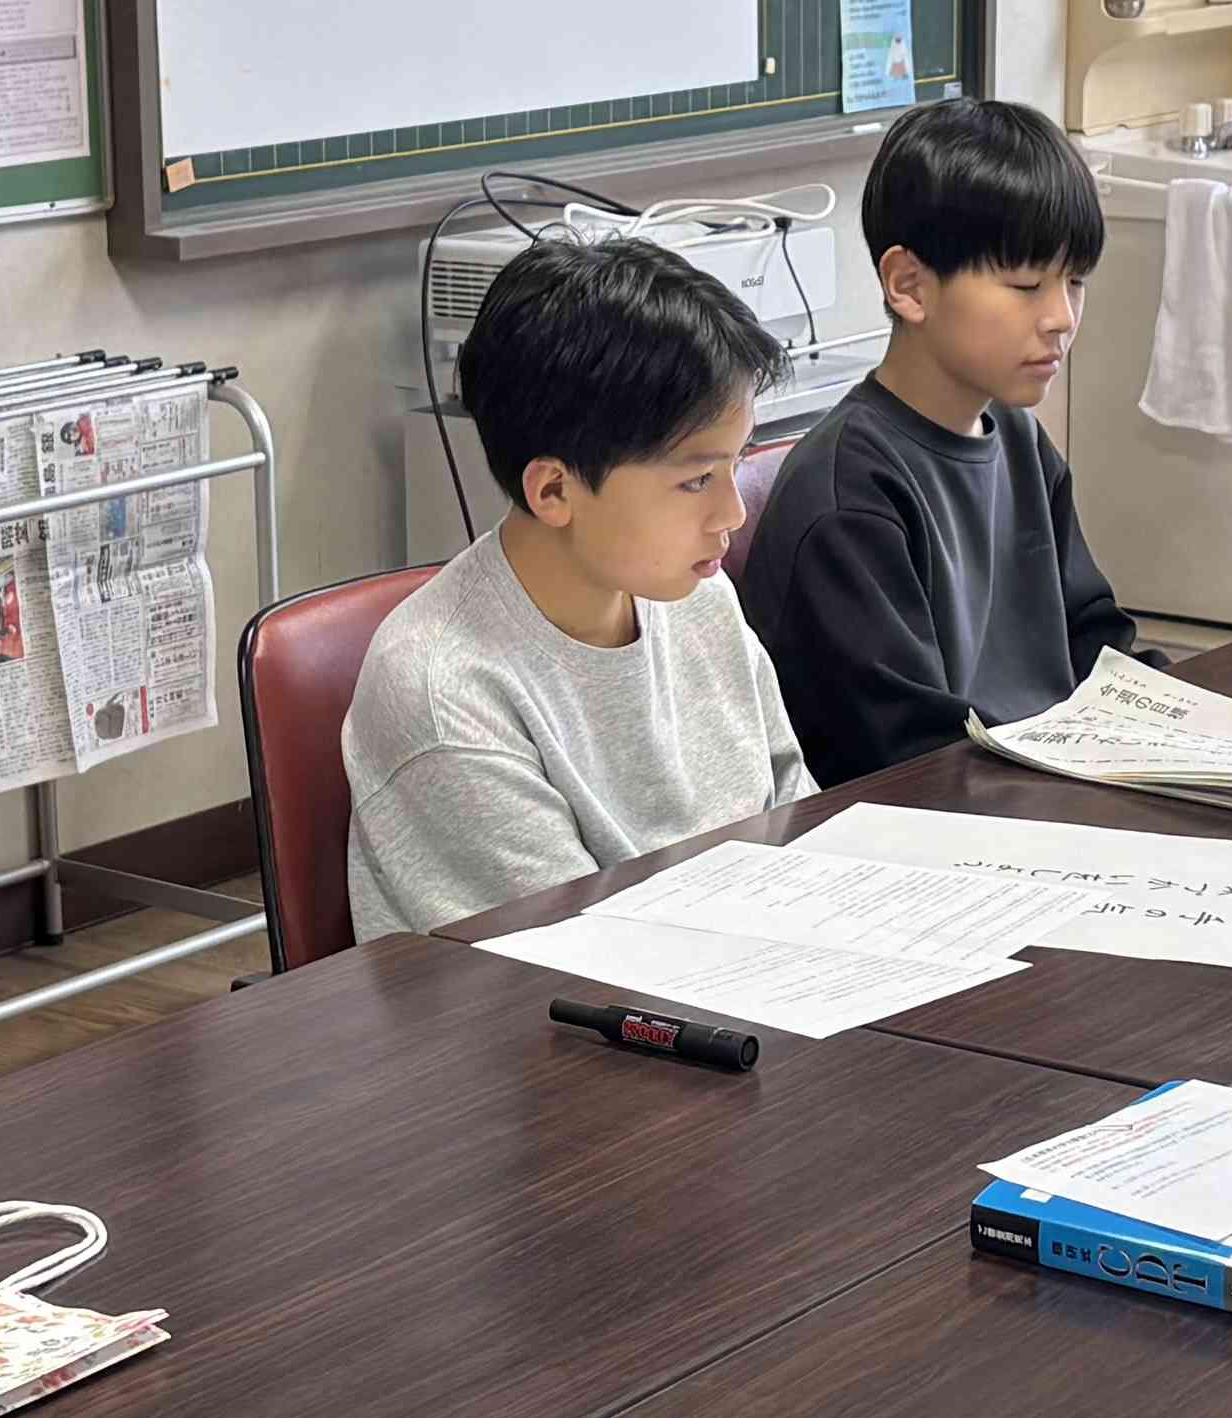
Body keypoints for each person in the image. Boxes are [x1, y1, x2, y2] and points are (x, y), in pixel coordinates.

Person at [344, 236, 809, 940]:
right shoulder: (446, 690)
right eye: (696, 480)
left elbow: (795, 819)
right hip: (557, 1002)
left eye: (735, 465)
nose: (733, 514)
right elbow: (566, 957)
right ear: (555, 490)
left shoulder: (701, 599)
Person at [732, 98, 1137, 788]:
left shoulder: (1017, 438)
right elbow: (912, 754)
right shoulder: (850, 494)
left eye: (1075, 282)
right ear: (909, 286)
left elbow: (1096, 639)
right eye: (1025, 285)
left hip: (1050, 786)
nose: (1061, 317)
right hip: (952, 815)